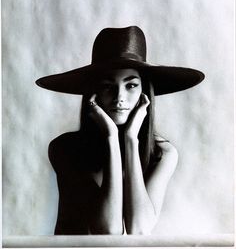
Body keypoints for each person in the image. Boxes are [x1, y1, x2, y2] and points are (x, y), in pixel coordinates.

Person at [36, 26, 204, 235]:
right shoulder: (64, 149)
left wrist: (131, 139)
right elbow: (107, 230)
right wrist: (111, 137)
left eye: (131, 85)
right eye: (108, 86)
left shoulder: (164, 154)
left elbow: (139, 230)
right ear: (94, 93)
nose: (119, 97)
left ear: (145, 92)